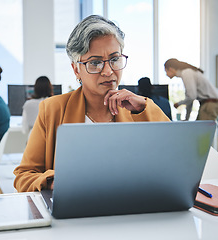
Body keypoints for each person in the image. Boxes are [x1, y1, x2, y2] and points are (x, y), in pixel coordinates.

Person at [13, 15, 170, 193]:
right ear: (76, 69)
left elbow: (176, 159)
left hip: (133, 209)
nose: (108, 71)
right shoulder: (53, 109)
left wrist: (143, 108)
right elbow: (24, 175)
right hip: (76, 212)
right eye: (95, 63)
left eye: (114, 59)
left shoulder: (138, 109)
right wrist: (53, 182)